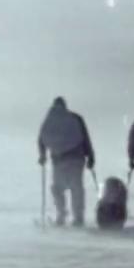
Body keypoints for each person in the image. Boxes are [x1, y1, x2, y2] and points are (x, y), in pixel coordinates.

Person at [37, 97, 95, 226]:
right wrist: (91, 157)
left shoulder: (49, 120)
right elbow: (85, 138)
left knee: (57, 188)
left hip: (58, 160)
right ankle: (78, 217)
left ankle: (61, 215)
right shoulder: (75, 118)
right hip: (76, 158)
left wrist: (42, 155)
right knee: (76, 188)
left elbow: (41, 139)